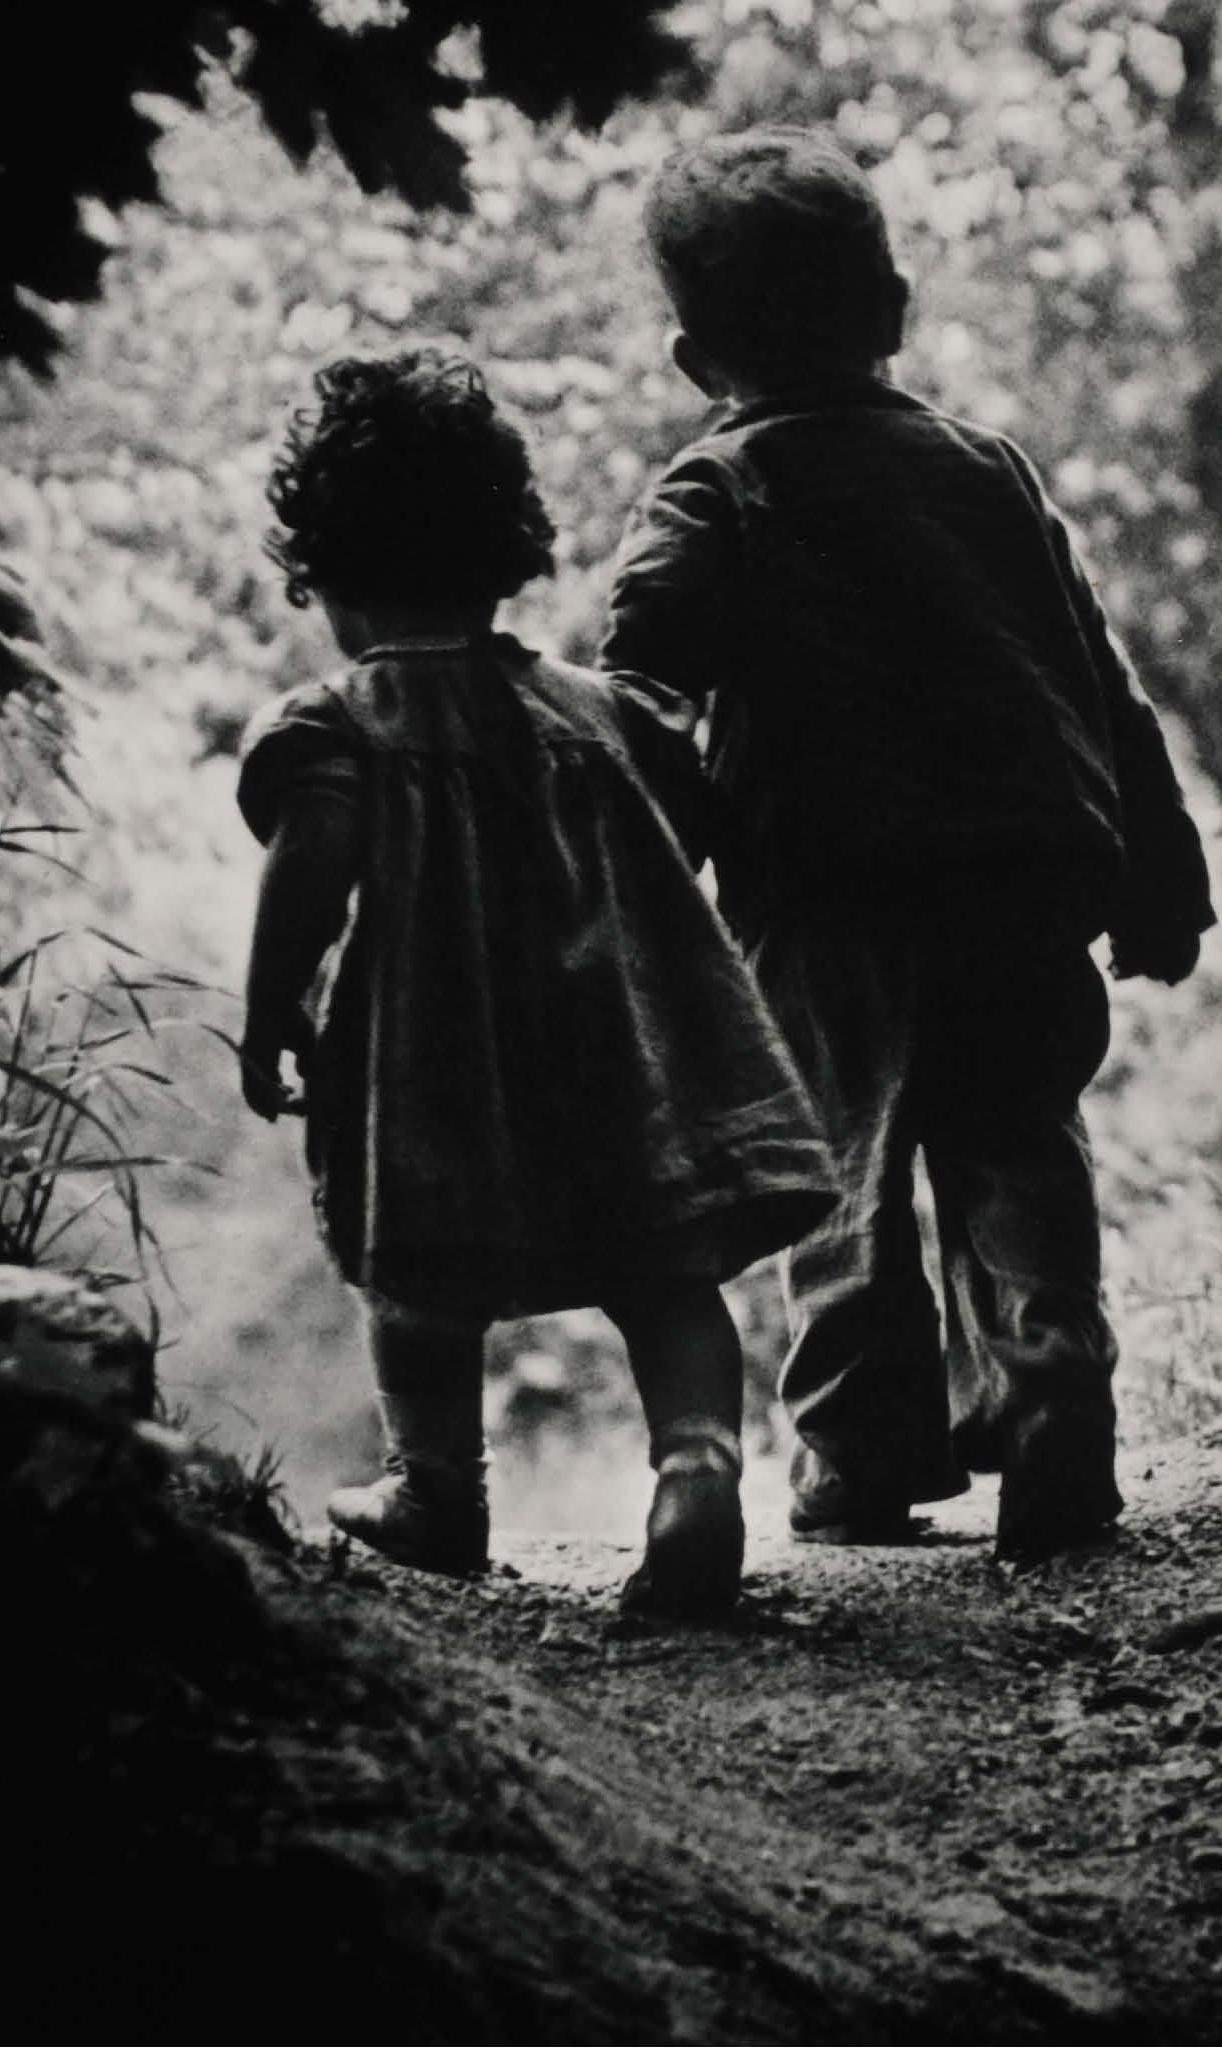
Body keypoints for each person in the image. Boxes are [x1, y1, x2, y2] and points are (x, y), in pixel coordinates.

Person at [601, 129, 1214, 1563]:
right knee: (1018, 1145)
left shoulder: (718, 486)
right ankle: (1056, 1388)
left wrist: (653, 838)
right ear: (895, 307)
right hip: (1023, 871)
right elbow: (1097, 675)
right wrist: (1159, 868)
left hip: (831, 893)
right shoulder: (987, 469)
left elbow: (641, 671)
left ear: (698, 360)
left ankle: (863, 1457)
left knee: (842, 1176)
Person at [231, 347, 836, 1623]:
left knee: (413, 1286)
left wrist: (269, 1006)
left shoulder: (341, 723)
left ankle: (438, 1490)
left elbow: (312, 866)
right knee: (666, 1278)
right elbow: (695, 810)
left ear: (323, 573)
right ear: (506, 549)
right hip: (621, 1053)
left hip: (434, 1071)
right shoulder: (593, 709)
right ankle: (696, 1474)